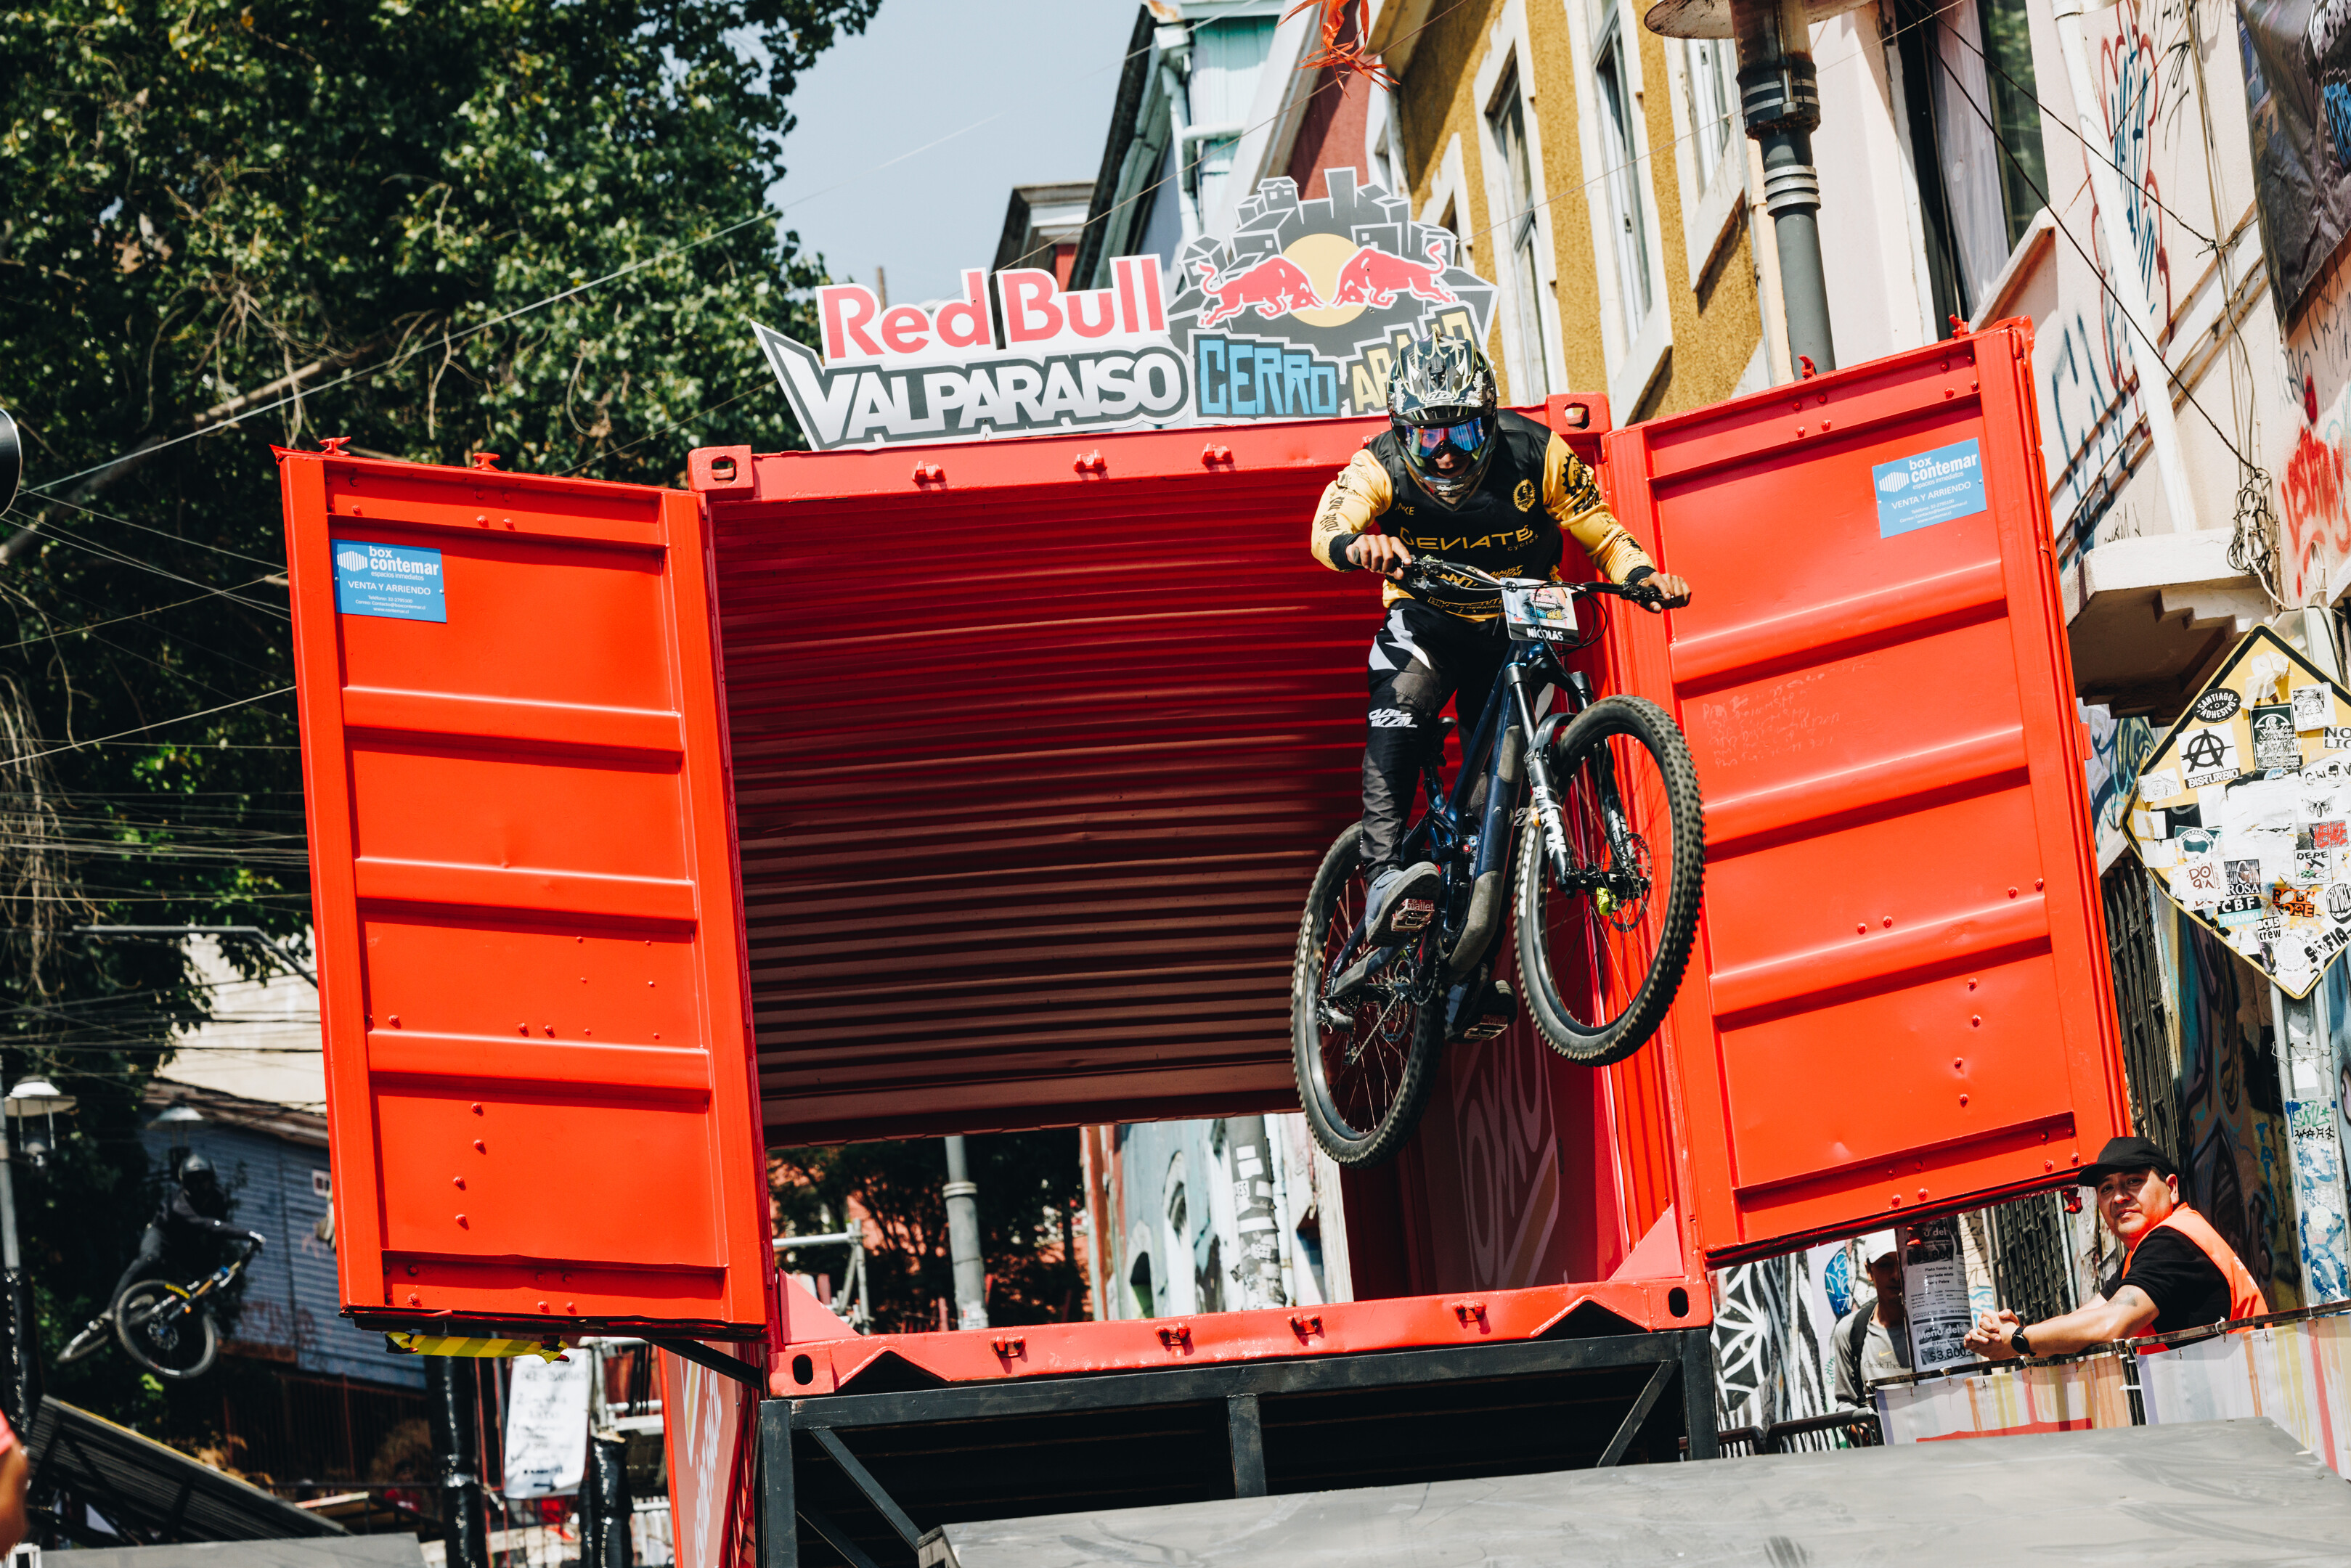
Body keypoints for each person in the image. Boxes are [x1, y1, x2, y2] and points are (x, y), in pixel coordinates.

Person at [1308, 335, 1692, 941]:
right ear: (1399, 431)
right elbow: (1327, 526)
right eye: (1426, 437)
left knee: (1501, 791)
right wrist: (1358, 545)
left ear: (1489, 422)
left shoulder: (1538, 453)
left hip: (1520, 621)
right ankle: (1382, 875)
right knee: (1402, 705)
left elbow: (1605, 535)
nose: (1443, 456)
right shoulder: (1378, 463)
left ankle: (1466, 953)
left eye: (1460, 434)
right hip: (1428, 616)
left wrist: (1642, 578)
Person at [1963, 1135, 2266, 1362]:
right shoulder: (2147, 1252)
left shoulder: (2173, 1243)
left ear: (2171, 1188)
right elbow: (2087, 1319)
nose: (2118, 1197)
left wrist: (2018, 1340)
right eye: (2107, 1188)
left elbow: (2110, 1323)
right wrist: (2019, 1334)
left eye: (2133, 1181)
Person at [79, 1152, 263, 1335]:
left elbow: (217, 1238)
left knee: (200, 1282)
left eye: (204, 1181)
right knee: (150, 1258)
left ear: (212, 1180)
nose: (200, 1187)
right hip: (162, 1234)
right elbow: (210, 1225)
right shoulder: (180, 1204)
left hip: (185, 1244)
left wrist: (211, 1271)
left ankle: (165, 1317)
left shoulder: (219, 1199)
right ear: (185, 1184)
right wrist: (249, 1234)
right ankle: (110, 1311)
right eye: (194, 1182)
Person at [1832, 1233, 1911, 1407]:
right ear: (1869, 1271)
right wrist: (1858, 1426)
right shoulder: (1850, 1331)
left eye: (1902, 1261)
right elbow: (1845, 1401)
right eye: (1885, 1265)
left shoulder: (1937, 1326)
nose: (1896, 1275)